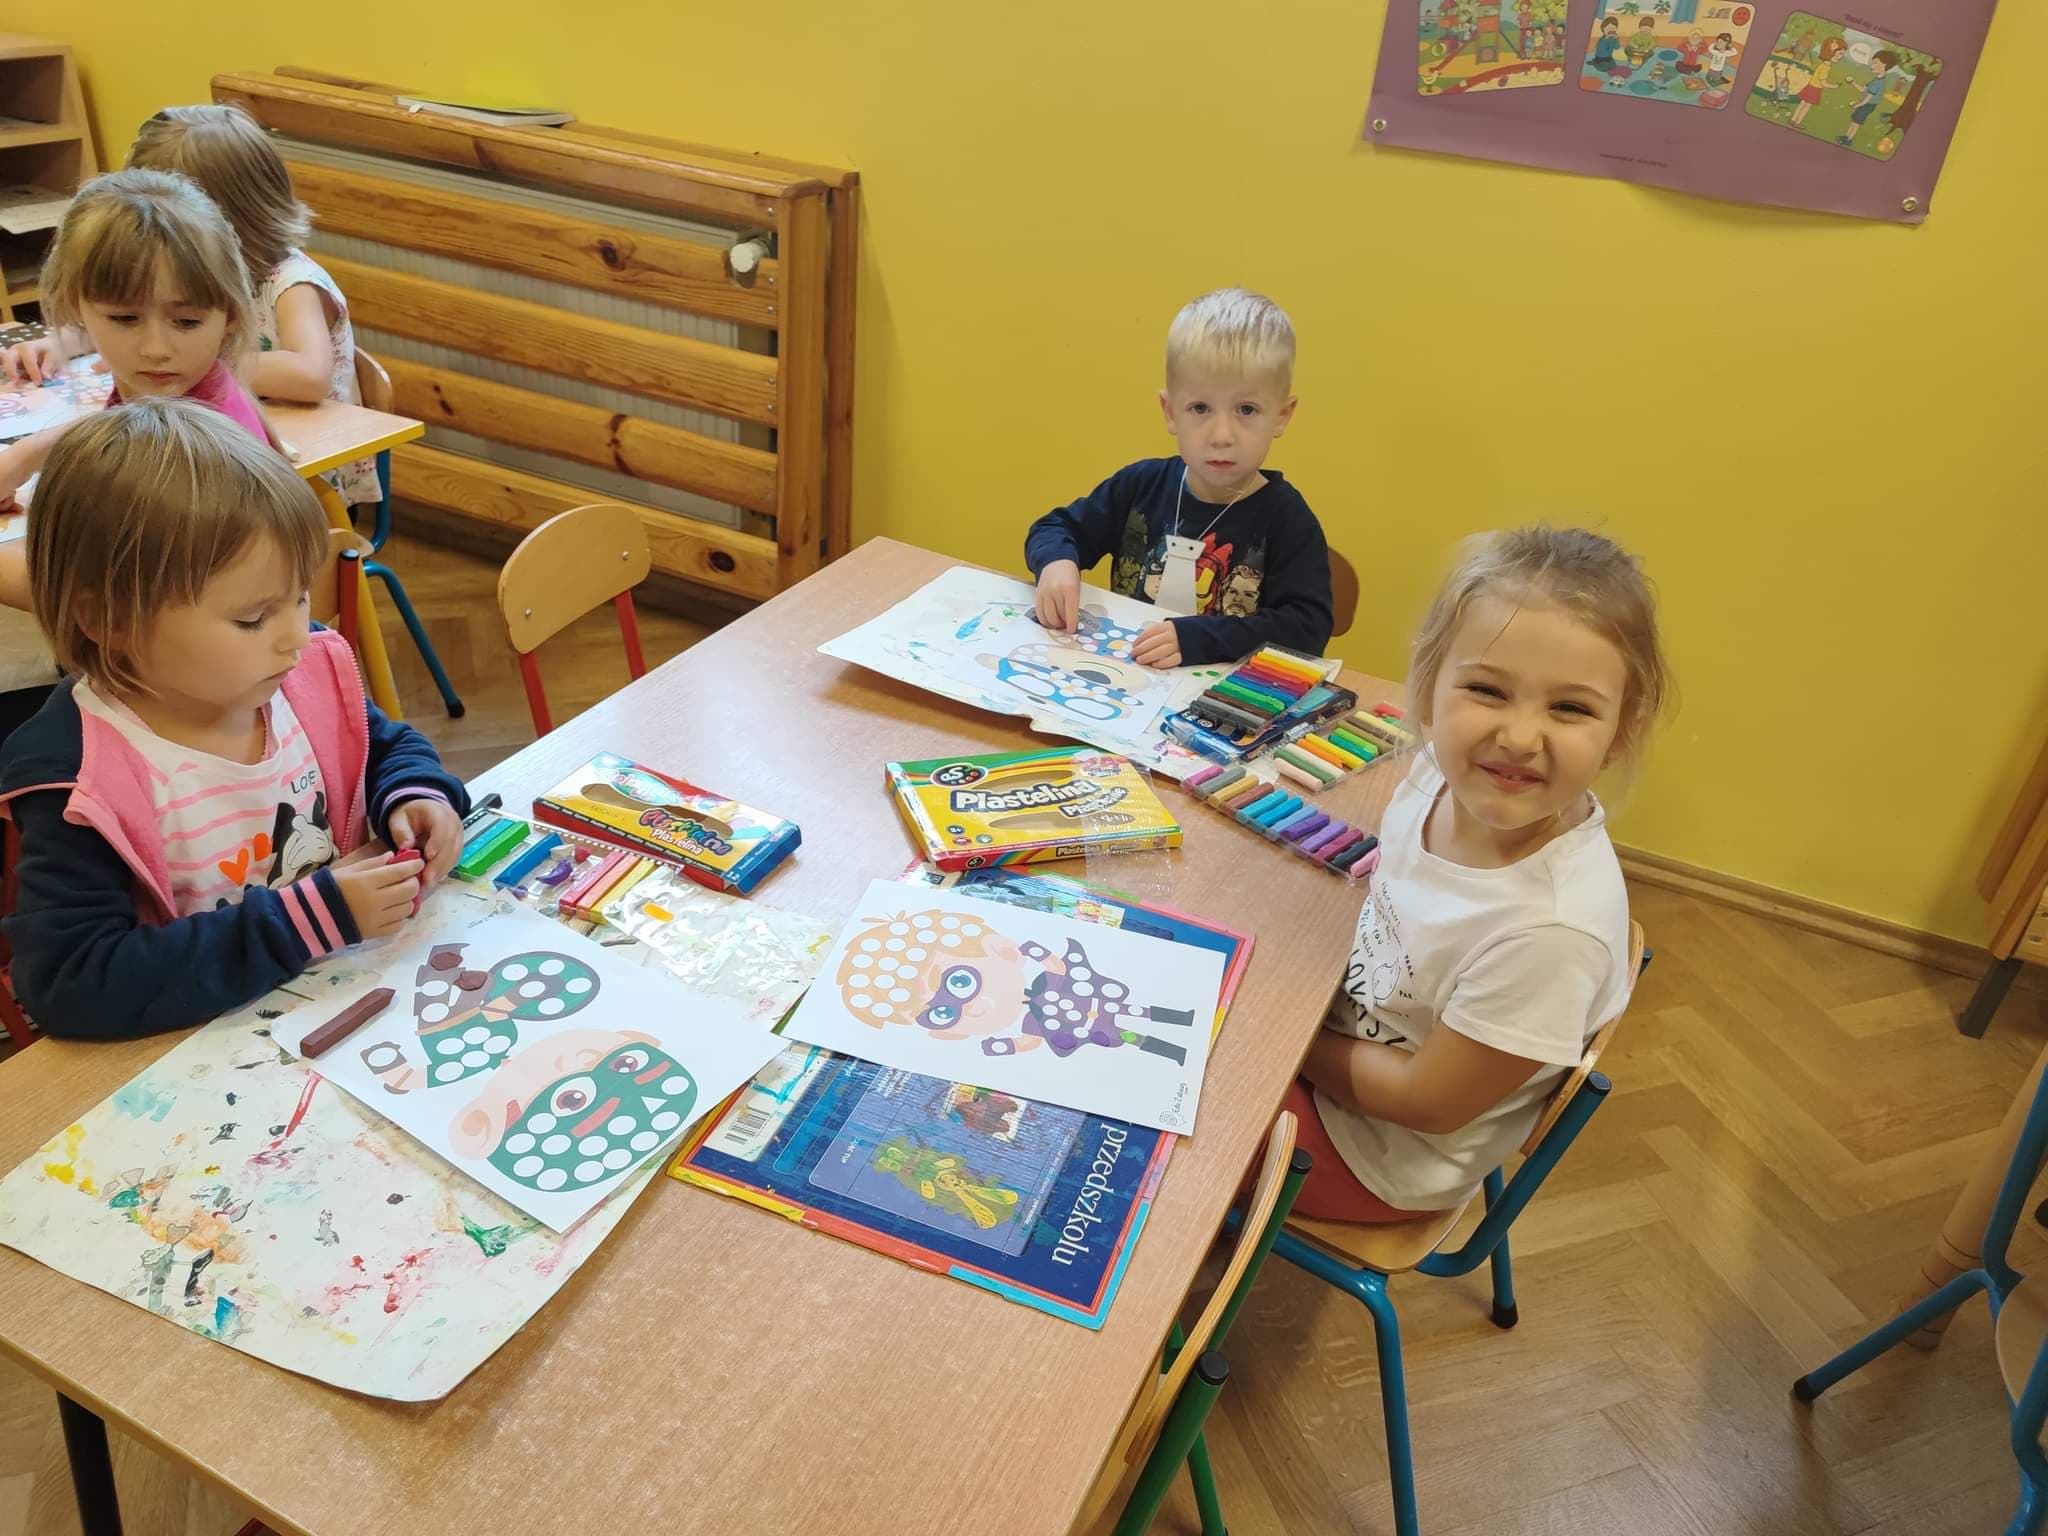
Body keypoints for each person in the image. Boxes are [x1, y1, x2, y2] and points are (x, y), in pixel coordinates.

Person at [0, 399, 468, 1040]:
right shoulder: (80, 777)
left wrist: (415, 795)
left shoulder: (297, 677)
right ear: (109, 620)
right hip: (193, 1047)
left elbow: (383, 746)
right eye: (252, 618)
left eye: (298, 597)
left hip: (343, 1006)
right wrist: (309, 920)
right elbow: (72, 982)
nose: (297, 637)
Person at [1280, 526, 1670, 1221]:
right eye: (1488, 690)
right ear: (1429, 689)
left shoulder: (1552, 934)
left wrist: (1280, 1036)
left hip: (1373, 1154)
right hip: (1341, 1037)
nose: (1518, 737)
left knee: (1161, 1105)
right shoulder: (1436, 772)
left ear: (1622, 731)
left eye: (1570, 707)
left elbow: (1426, 1104)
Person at [2, 104, 379, 507]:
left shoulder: (204, 444)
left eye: (186, 322)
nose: (155, 349)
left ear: (231, 317)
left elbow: (309, 375)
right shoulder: (177, 393)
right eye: (124, 318)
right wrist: (28, 452)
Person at [1023, 288, 1331, 669]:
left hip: (1220, 697)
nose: (1221, 435)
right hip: (1126, 680)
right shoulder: (1140, 486)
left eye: (1247, 409)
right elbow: (1054, 528)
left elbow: (1307, 629)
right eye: (1200, 408)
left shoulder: (1287, 518)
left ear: (1282, 416)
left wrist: (1201, 638)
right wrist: (1056, 563)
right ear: (1170, 412)